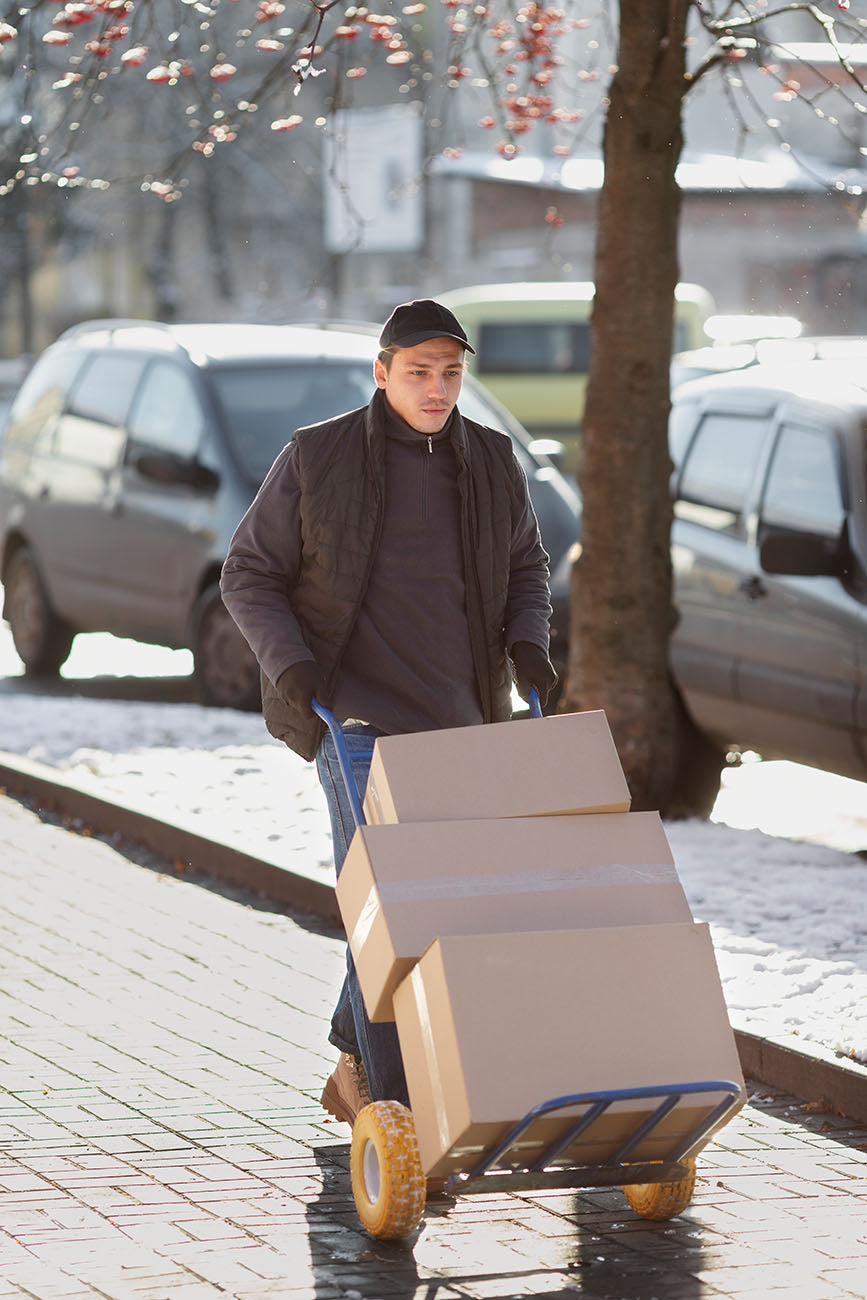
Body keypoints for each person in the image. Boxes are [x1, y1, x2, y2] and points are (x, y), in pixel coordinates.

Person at [220, 298, 558, 1128]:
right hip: (354, 719)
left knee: (437, 905)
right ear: (381, 374)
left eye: (449, 373)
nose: (436, 388)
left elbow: (527, 566)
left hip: (462, 721)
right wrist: (294, 670)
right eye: (418, 372)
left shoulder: (489, 459)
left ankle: (352, 1060)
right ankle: (395, 1106)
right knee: (390, 905)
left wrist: (530, 646)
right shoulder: (316, 456)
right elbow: (248, 572)